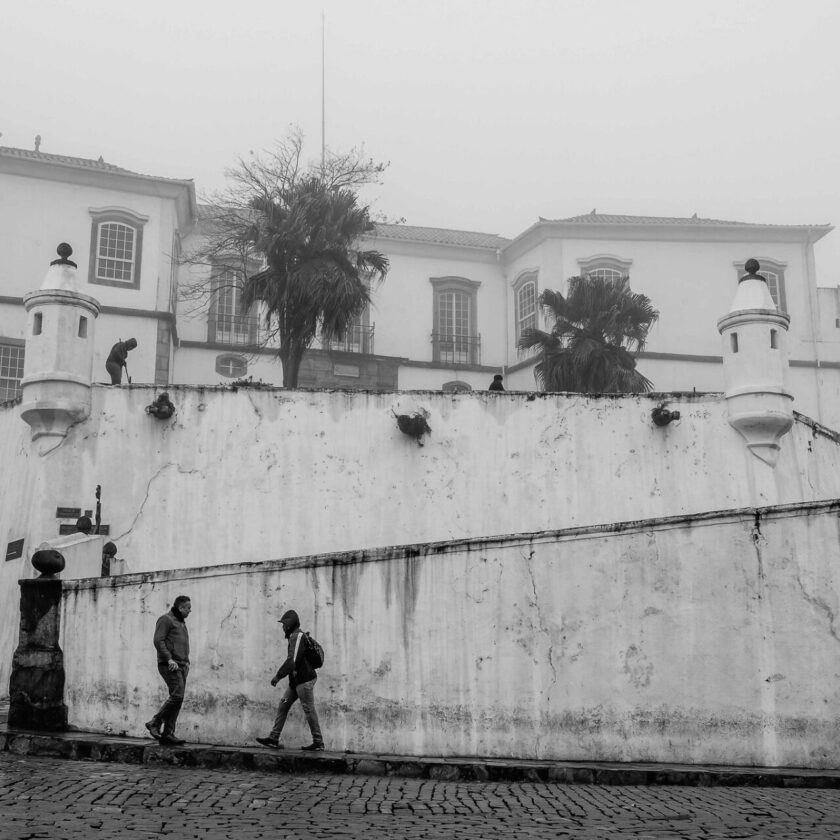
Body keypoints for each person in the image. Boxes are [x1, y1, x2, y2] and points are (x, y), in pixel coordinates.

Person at [256, 609, 324, 751]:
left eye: (283, 624)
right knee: (283, 704)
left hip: (304, 681)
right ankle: (273, 738)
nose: (282, 628)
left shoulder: (297, 636)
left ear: (289, 624)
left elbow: (292, 661)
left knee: (308, 709)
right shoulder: (293, 636)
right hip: (295, 683)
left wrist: (278, 676)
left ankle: (318, 742)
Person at [145, 596, 191, 746]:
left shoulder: (181, 623)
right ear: (180, 608)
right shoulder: (166, 619)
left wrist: (186, 663)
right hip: (170, 664)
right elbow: (158, 640)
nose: (190, 611)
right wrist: (169, 659)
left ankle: (168, 733)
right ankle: (155, 722)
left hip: (182, 665)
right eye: (188, 608)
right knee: (177, 695)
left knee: (177, 698)